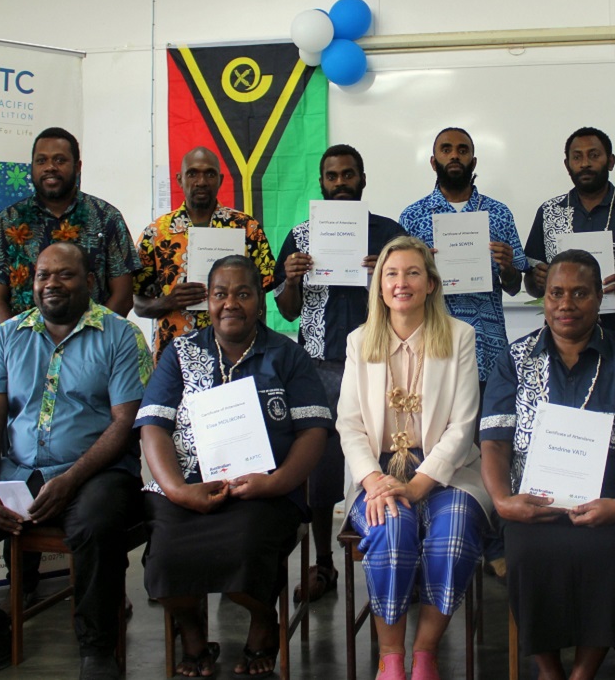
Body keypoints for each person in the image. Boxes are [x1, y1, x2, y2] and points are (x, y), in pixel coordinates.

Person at [0, 242, 152, 680]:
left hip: (96, 472)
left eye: (64, 275)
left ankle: (98, 650)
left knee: (95, 525)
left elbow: (123, 425)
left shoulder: (122, 336)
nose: (51, 284)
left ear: (89, 282)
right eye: (43, 275)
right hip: (18, 472)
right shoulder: (8, 335)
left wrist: (70, 479)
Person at [135, 255, 332, 677]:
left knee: (246, 551)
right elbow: (153, 426)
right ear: (206, 301)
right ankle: (192, 634)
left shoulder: (288, 355)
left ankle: (264, 620)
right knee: (166, 561)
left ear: (260, 301)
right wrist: (177, 489)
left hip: (264, 491)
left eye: (243, 294)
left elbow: (314, 431)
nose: (230, 304)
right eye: (220, 294)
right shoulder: (180, 353)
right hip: (187, 489)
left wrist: (276, 483)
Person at [481, 250, 615, 680]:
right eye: (556, 293)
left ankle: (583, 671)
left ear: (599, 297)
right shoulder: (515, 358)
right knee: (524, 554)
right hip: (533, 503)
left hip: (609, 503)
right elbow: (494, 442)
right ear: (543, 299)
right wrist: (504, 502)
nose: (566, 304)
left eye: (580, 293)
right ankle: (549, 670)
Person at [336, 236, 491, 680]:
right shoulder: (359, 340)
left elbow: (463, 427)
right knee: (392, 531)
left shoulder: (460, 336)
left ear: (430, 284)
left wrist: (420, 484)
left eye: (412, 273)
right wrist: (372, 480)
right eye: (391, 274)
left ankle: (424, 654)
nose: (401, 283)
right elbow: (349, 425)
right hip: (378, 471)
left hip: (448, 470)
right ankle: (391, 658)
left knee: (454, 535)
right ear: (379, 286)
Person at [274, 144, 406, 605]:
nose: (341, 183)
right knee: (321, 467)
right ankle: (324, 563)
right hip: (320, 364)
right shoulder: (300, 235)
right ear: (322, 183)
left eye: (349, 174)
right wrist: (292, 280)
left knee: (392, 457)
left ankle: (395, 552)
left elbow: (416, 298)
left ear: (363, 179)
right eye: (332, 176)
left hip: (383, 361)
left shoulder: (390, 235)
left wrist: (387, 276)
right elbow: (287, 310)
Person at [399, 127, 528, 390]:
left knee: (486, 429)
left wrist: (507, 267)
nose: (454, 156)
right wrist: (420, 271)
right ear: (434, 162)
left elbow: (514, 288)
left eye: (462, 150)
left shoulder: (499, 213)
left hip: (487, 348)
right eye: (446, 150)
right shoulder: (411, 216)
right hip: (431, 347)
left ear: (474, 161)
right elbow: (401, 291)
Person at [0, 126, 140, 324]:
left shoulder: (106, 218)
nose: (50, 167)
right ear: (32, 167)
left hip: (93, 348)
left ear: (78, 167)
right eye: (41, 161)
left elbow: (123, 296)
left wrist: (91, 343)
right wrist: (18, 348)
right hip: (26, 347)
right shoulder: (8, 221)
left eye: (60, 160)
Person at [133, 146, 277, 360]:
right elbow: (136, 303)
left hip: (236, 354)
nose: (201, 181)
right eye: (193, 174)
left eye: (209, 174)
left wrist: (259, 353)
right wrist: (167, 302)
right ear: (180, 179)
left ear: (219, 179)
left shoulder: (246, 228)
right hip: (174, 357)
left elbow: (261, 299)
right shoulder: (156, 233)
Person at [523, 126, 615, 352]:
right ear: (567, 165)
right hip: (563, 345)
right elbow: (531, 286)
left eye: (594, 155)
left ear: (611, 161)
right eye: (577, 157)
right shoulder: (549, 212)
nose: (585, 163)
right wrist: (538, 280)